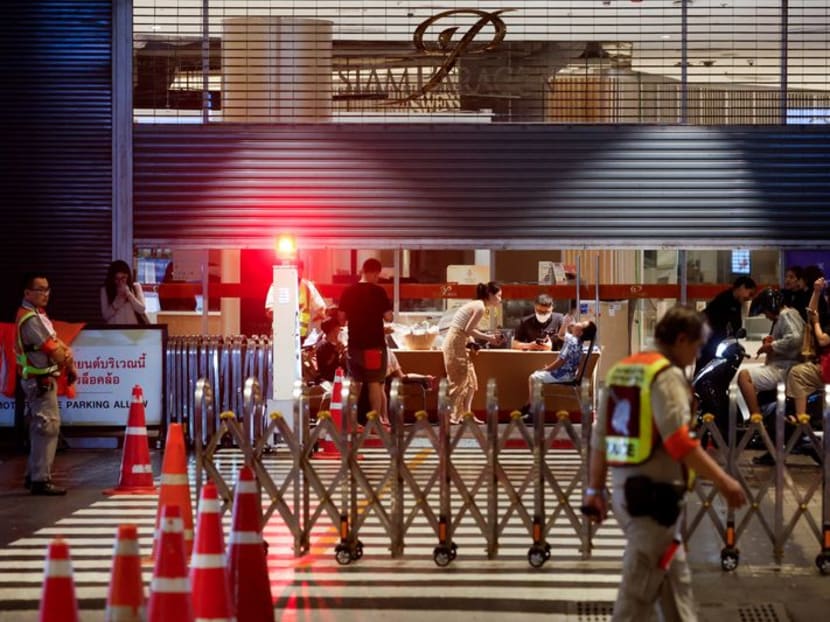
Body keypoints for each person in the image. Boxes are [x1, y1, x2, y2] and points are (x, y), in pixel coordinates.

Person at [583, 305, 746, 621]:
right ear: (682, 339)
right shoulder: (665, 375)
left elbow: (599, 438)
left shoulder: (622, 370)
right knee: (637, 592)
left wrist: (595, 488)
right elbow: (679, 442)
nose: (696, 353)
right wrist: (724, 481)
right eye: (696, 346)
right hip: (654, 499)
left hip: (627, 491)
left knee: (675, 582)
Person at [15, 273, 78, 496]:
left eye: (47, 289)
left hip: (41, 379)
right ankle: (40, 479)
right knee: (47, 428)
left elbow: (56, 343)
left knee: (41, 427)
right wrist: (67, 360)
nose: (45, 294)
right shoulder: (30, 319)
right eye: (40, 289)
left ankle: (34, 476)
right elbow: (52, 348)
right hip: (39, 380)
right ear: (27, 293)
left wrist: (67, 359)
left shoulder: (38, 315)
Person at [338, 258, 394, 426]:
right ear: (374, 273)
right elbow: (388, 317)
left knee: (355, 382)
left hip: (355, 344)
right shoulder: (379, 292)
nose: (377, 279)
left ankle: (351, 422)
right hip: (375, 346)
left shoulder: (348, 291)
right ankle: (374, 423)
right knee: (374, 382)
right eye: (377, 276)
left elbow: (341, 319)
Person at [441, 282, 504, 425]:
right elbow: (468, 329)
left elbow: (465, 329)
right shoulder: (480, 307)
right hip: (455, 344)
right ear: (490, 295)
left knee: (470, 381)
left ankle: (466, 414)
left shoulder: (477, 305)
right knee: (458, 380)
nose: (500, 299)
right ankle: (451, 415)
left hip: (459, 342)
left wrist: (472, 342)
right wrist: (490, 338)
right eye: (499, 295)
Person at [737, 287, 804, 418]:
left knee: (744, 377)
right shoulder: (788, 315)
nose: (766, 316)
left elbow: (795, 339)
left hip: (784, 368)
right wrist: (773, 341)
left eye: (765, 312)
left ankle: (755, 418)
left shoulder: (786, 314)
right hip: (783, 367)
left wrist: (771, 346)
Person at [521, 320, 597, 418]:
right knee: (537, 377)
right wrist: (566, 321)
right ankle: (529, 406)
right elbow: (561, 334)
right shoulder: (578, 341)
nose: (578, 322)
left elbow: (561, 361)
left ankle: (531, 410)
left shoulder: (571, 342)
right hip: (569, 375)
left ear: (580, 332)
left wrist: (547, 369)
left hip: (561, 376)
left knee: (533, 378)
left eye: (581, 324)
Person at [786, 276, 830, 418]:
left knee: (797, 374)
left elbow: (823, 340)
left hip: (827, 368)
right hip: (822, 363)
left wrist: (816, 324)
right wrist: (816, 292)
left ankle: (801, 417)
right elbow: (812, 314)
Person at [696, 276, 757, 371]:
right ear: (742, 287)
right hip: (708, 340)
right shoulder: (723, 299)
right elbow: (715, 322)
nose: (749, 298)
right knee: (704, 368)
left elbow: (736, 324)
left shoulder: (737, 303)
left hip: (717, 341)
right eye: (750, 293)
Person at [265, 259, 326, 343]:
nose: (296, 273)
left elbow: (321, 309)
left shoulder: (308, 287)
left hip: (302, 336)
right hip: (282, 333)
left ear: (302, 270)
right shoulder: (278, 285)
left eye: (298, 270)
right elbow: (269, 310)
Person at [100, 260, 147, 324]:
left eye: (123, 278)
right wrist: (117, 301)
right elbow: (105, 316)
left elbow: (142, 309)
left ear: (128, 276)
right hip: (114, 330)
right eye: (117, 279)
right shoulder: (105, 290)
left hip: (132, 330)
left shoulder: (136, 287)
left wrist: (129, 294)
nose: (120, 282)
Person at [314, 316, 346, 384]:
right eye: (338, 327)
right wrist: (336, 352)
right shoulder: (323, 346)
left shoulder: (335, 343)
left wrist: (343, 352)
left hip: (337, 375)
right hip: (329, 378)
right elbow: (327, 365)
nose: (339, 329)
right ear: (333, 329)